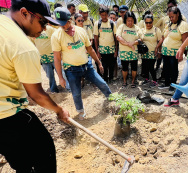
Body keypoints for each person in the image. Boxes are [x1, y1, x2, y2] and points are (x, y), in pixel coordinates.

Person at [0, 0, 70, 172]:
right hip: (7, 116)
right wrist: (59, 111)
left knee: (20, 160)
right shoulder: (23, 46)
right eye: (43, 22)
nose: (45, 28)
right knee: (44, 152)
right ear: (24, 13)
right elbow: (36, 94)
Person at [51, 7, 111, 120]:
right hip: (71, 70)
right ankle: (81, 112)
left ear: (70, 20)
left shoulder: (81, 31)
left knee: (102, 83)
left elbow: (90, 49)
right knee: (76, 93)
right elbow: (57, 59)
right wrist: (60, 77)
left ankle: (113, 101)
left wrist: (98, 63)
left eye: (65, 24)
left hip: (87, 66)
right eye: (60, 24)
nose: (63, 26)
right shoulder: (56, 36)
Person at [157, 6, 188, 92]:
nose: (171, 19)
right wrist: (158, 47)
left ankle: (173, 84)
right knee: (166, 68)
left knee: (173, 68)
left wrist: (182, 52)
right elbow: (163, 37)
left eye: (172, 17)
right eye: (170, 17)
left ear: (178, 14)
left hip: (174, 52)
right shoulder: (169, 25)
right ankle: (167, 83)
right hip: (165, 51)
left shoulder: (183, 25)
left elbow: (185, 40)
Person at [116, 11, 142, 88]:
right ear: (125, 20)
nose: (130, 22)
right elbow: (118, 37)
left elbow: (141, 39)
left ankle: (133, 81)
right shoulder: (122, 27)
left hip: (134, 52)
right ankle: (124, 81)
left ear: (134, 20)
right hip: (124, 52)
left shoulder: (136, 28)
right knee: (124, 68)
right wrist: (129, 44)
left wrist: (133, 42)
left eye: (132, 20)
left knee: (134, 67)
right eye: (128, 20)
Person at [94, 7, 118, 83]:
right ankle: (104, 79)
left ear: (108, 14)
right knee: (104, 66)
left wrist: (116, 50)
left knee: (111, 65)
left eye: (105, 15)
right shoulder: (97, 24)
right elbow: (96, 38)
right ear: (100, 14)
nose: (104, 17)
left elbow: (115, 38)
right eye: (102, 15)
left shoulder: (112, 23)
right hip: (102, 50)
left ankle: (110, 78)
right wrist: (97, 51)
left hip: (111, 49)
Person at [32, 25, 59, 93]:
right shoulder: (32, 31)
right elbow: (31, 44)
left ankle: (68, 88)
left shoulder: (48, 28)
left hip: (54, 57)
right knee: (50, 76)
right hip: (43, 59)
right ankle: (54, 90)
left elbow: (58, 36)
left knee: (61, 73)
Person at [141, 14, 162, 88]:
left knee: (151, 67)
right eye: (147, 22)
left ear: (152, 22)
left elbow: (160, 40)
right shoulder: (142, 30)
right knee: (145, 67)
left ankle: (155, 81)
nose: (148, 24)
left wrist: (157, 48)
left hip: (153, 52)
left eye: (150, 22)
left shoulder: (156, 30)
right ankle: (147, 79)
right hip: (144, 53)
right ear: (144, 22)